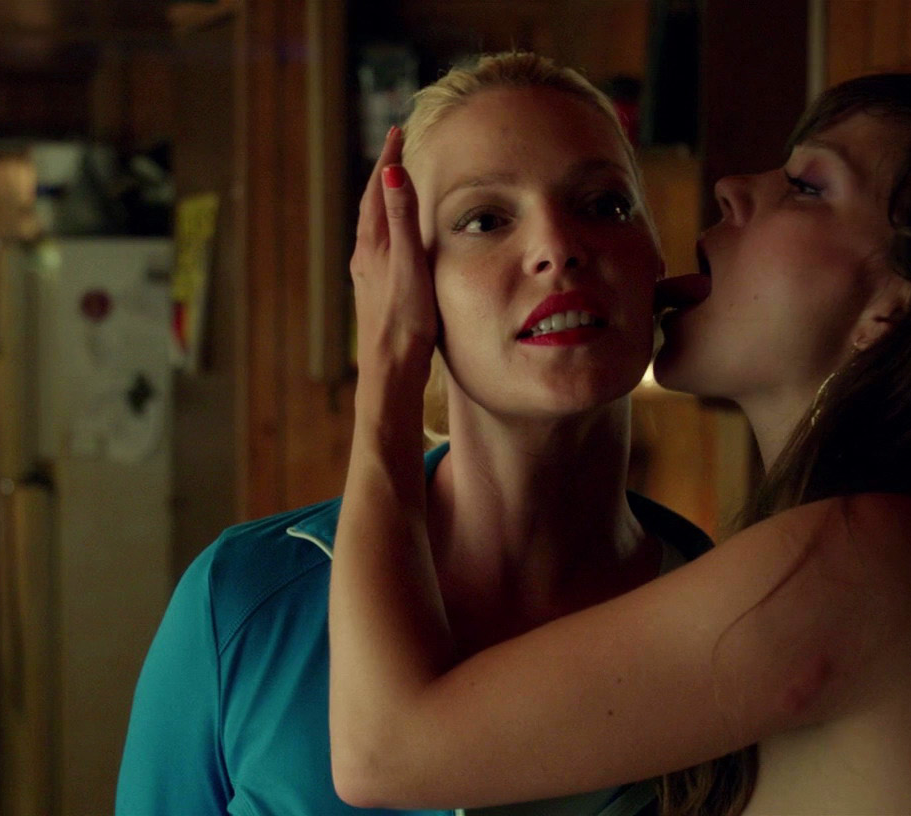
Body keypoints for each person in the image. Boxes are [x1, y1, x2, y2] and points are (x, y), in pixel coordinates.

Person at [331, 71, 911, 815]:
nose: (734, 187)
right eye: (485, 219)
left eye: (808, 186)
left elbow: (384, 753)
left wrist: (389, 369)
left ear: (892, 306)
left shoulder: (865, 561)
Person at [117, 52, 717, 815]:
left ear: (654, 257)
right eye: (484, 219)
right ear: (405, 282)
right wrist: (387, 372)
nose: (557, 246)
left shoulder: (725, 608)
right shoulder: (242, 601)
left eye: (603, 204)